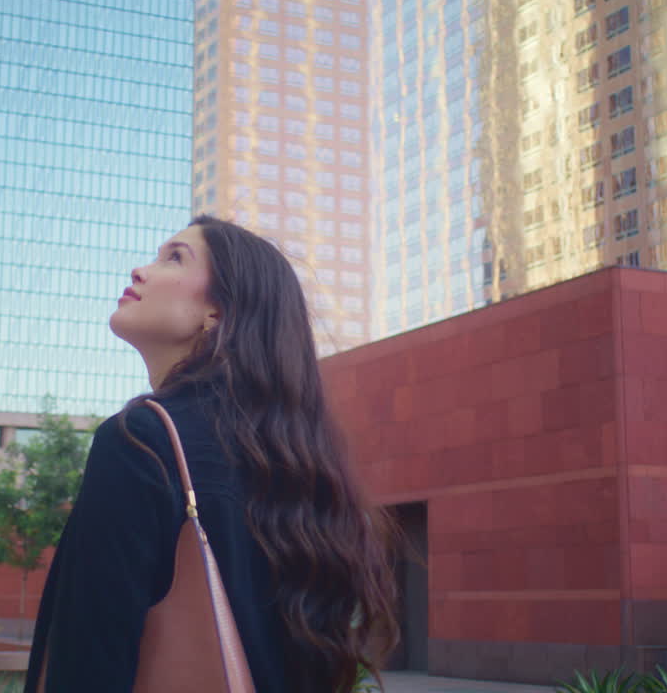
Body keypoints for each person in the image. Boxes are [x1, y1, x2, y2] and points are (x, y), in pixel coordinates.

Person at [23, 216, 398, 692]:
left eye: (174, 257)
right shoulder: (295, 470)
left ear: (217, 313)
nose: (141, 270)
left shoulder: (138, 442)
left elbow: (87, 663)